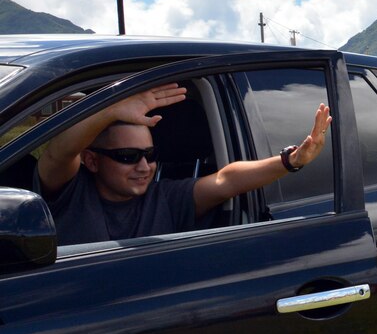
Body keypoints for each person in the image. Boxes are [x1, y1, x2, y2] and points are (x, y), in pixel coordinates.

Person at [36, 83, 332, 245]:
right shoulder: (69, 194)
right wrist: (108, 112)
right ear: (91, 160)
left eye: (150, 155)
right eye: (128, 156)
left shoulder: (165, 198)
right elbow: (58, 154)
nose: (144, 167)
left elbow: (225, 181)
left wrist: (291, 160)